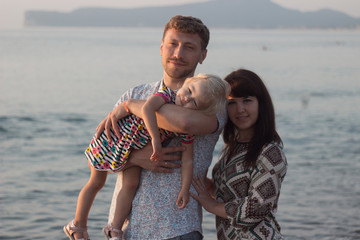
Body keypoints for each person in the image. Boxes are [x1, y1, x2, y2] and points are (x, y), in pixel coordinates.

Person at [66, 15, 227, 240]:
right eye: (173, 44)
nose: (178, 54)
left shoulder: (211, 105)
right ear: (161, 48)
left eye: (189, 47)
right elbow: (106, 148)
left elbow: (185, 122)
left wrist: (133, 108)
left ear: (203, 55)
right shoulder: (134, 94)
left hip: (177, 228)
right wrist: (132, 158)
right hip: (124, 230)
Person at [191, 69, 288, 239]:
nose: (240, 109)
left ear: (261, 103)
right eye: (231, 102)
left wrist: (211, 205)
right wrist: (198, 181)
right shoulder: (231, 147)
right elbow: (229, 191)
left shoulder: (270, 151)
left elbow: (256, 207)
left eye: (247, 101)